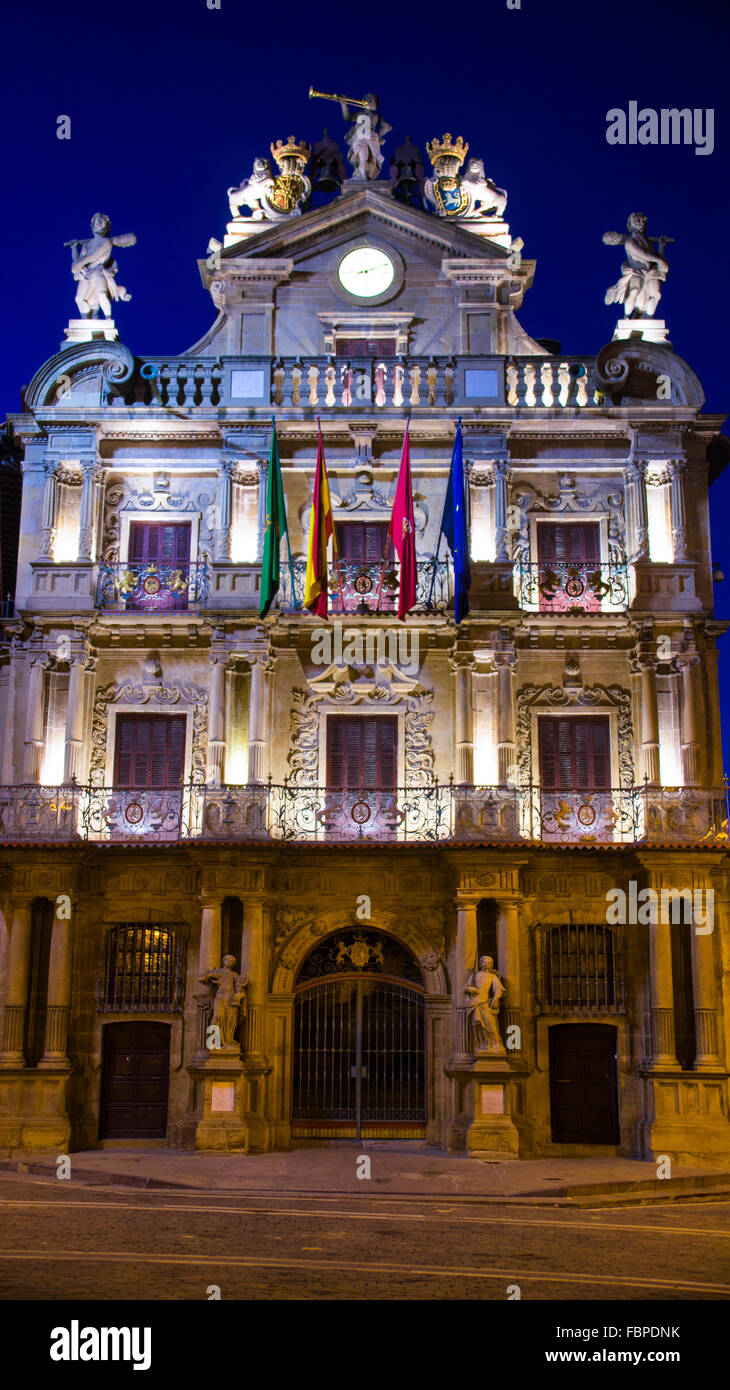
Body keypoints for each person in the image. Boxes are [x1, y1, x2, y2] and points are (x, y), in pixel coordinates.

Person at [65, 213, 137, 319]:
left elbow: (93, 257)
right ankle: (87, 320)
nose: (98, 224)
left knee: (101, 294)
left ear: (106, 227)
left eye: (101, 222)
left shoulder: (106, 242)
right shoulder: (87, 244)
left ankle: (108, 319)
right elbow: (78, 260)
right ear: (92, 225)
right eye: (96, 222)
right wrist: (74, 248)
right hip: (85, 274)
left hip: (98, 272)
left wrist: (77, 266)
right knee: (79, 299)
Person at [465, 954, 505, 1052]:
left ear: (491, 965)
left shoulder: (492, 977)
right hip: (475, 1003)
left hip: (485, 1003)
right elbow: (465, 987)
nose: (486, 964)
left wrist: (495, 999)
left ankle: (495, 1045)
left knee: (490, 1025)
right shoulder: (474, 975)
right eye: (484, 962)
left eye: (488, 963)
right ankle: (482, 1045)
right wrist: (470, 989)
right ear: (481, 963)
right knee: (477, 1025)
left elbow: (499, 989)